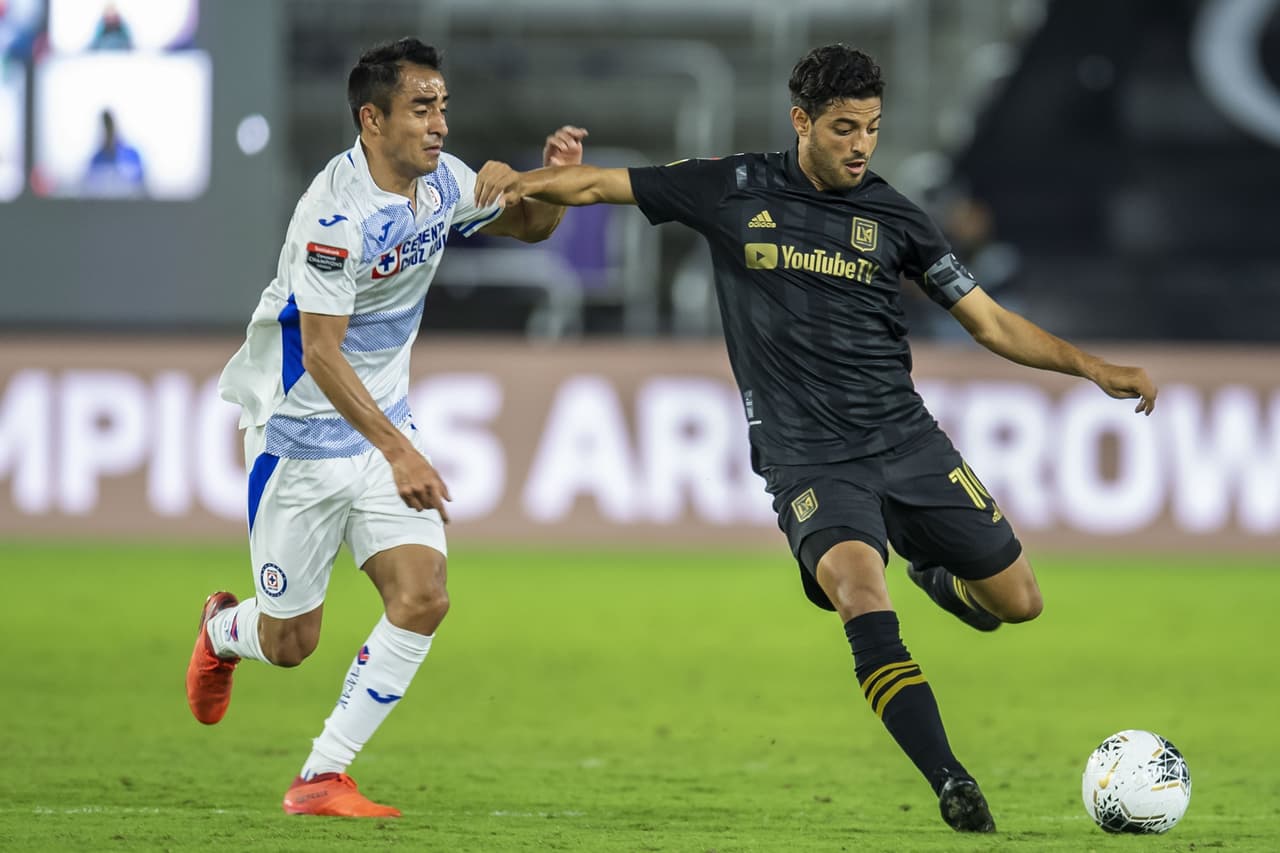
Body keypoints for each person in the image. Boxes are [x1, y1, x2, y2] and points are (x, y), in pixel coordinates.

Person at [483, 44, 1157, 833]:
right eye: (844, 128)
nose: (861, 144)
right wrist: (511, 181)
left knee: (1018, 601)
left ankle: (932, 570)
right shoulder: (730, 185)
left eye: (871, 127)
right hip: (808, 455)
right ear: (801, 121)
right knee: (860, 596)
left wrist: (1092, 367)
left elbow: (991, 322)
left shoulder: (897, 218)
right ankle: (951, 779)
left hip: (906, 441)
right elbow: (598, 183)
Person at [187, 37, 587, 818]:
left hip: (381, 433)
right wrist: (400, 449)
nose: (439, 124)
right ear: (372, 119)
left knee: (423, 594)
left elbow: (529, 228)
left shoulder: (441, 183)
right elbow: (321, 352)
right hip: (301, 441)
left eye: (443, 107)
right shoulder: (334, 217)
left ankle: (322, 773)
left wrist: (551, 180)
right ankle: (223, 628)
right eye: (420, 109)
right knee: (288, 642)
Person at [80, 109, 146, 198]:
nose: (108, 131)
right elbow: (88, 188)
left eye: (110, 126)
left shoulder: (132, 155)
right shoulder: (96, 159)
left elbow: (142, 187)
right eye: (105, 128)